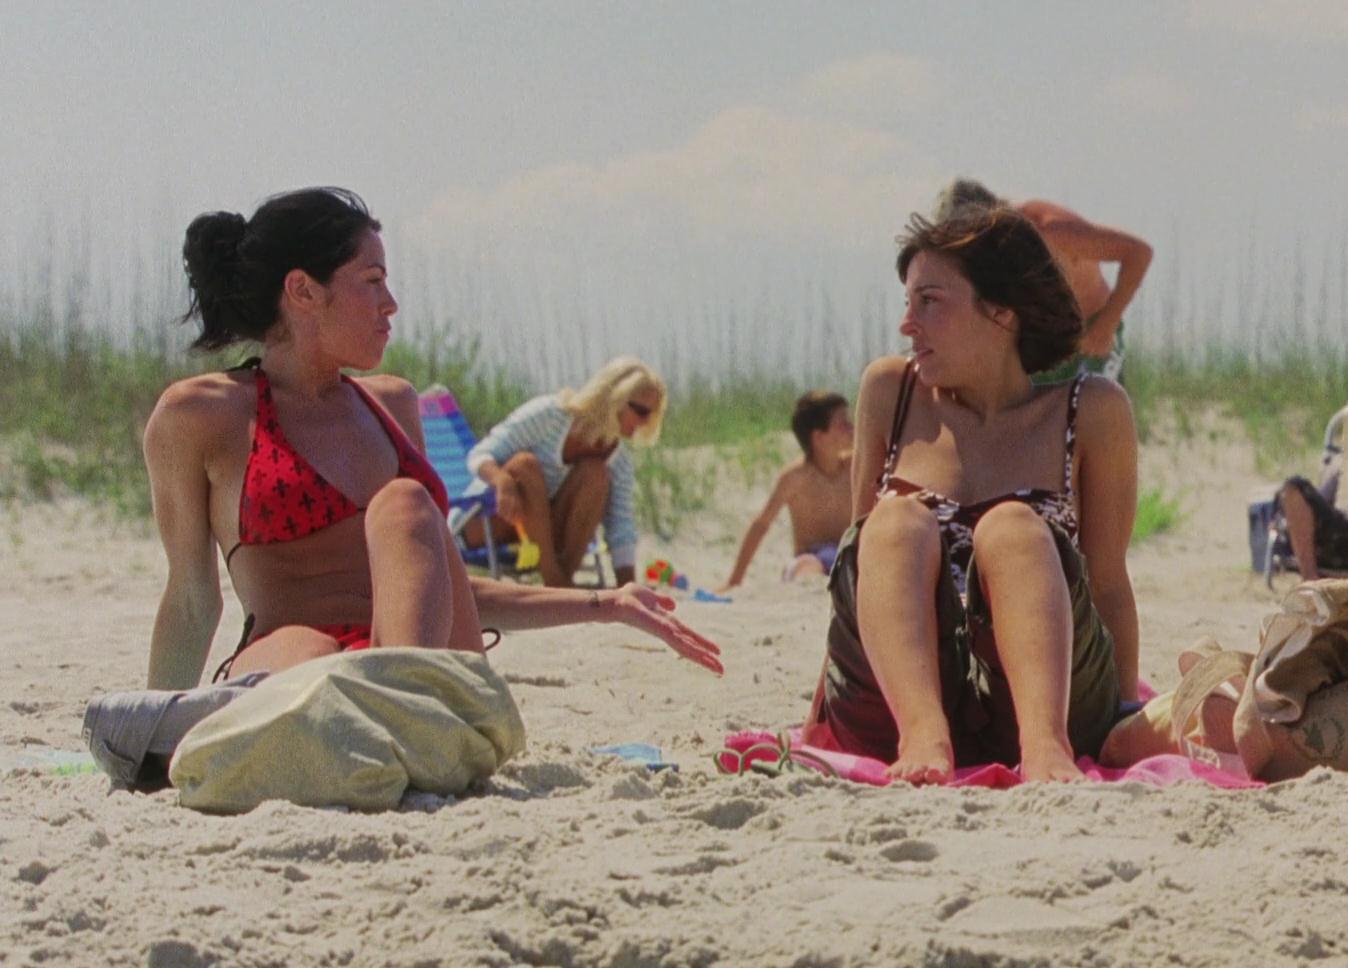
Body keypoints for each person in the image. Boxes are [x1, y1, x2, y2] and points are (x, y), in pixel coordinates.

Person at [99, 188, 720, 790]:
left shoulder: (393, 404)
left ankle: (378, 719)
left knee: (403, 504)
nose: (391, 304)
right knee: (308, 656)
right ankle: (371, 730)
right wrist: (151, 729)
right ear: (303, 290)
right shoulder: (202, 414)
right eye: (372, 281)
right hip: (304, 657)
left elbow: (439, 584)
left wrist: (607, 603)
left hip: (420, 664)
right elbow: (192, 598)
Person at [811, 204, 1141, 784]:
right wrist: (819, 715)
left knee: (1012, 527)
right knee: (893, 523)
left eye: (929, 302)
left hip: (1043, 698)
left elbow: (1108, 583)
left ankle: (1045, 748)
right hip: (894, 709)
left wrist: (1127, 717)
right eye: (908, 302)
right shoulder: (890, 391)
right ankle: (924, 734)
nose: (907, 324)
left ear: (1001, 312)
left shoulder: (1090, 410)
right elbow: (861, 574)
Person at [464, 357, 665, 587]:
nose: (645, 421)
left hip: (545, 538)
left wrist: (628, 587)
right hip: (488, 519)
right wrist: (502, 481)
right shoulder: (550, 416)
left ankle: (560, 581)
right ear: (614, 398)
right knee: (524, 466)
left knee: (595, 474)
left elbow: (621, 527)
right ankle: (556, 581)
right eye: (641, 411)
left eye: (652, 414)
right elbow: (480, 454)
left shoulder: (618, 461)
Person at [935, 179, 1152, 384]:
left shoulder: (1049, 230)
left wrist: (1106, 325)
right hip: (1044, 344)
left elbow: (1138, 253)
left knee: (1097, 406)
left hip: (1091, 334)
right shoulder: (981, 256)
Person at [721, 390, 855, 590]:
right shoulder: (795, 477)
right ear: (818, 437)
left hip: (849, 554)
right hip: (812, 557)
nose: (853, 428)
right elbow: (761, 524)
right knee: (807, 567)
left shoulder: (856, 466)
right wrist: (734, 580)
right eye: (843, 424)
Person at [1272, 403, 1348, 582]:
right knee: (1293, 489)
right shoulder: (1339, 463)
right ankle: (1310, 577)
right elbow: (1320, 501)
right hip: (1338, 530)